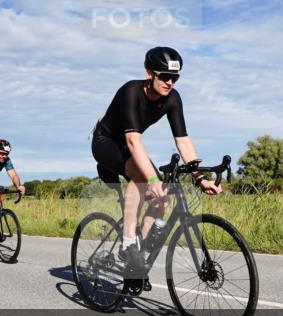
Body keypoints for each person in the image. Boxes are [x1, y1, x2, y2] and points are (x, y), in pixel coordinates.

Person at [91, 47, 221, 279]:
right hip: (106, 142)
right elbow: (132, 140)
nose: (170, 82)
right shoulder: (131, 91)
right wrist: (151, 179)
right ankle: (128, 244)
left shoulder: (173, 98)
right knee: (143, 179)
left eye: (175, 77)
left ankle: (138, 258)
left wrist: (200, 178)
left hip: (131, 146)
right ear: (149, 73)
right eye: (165, 76)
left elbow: (183, 142)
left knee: (162, 198)